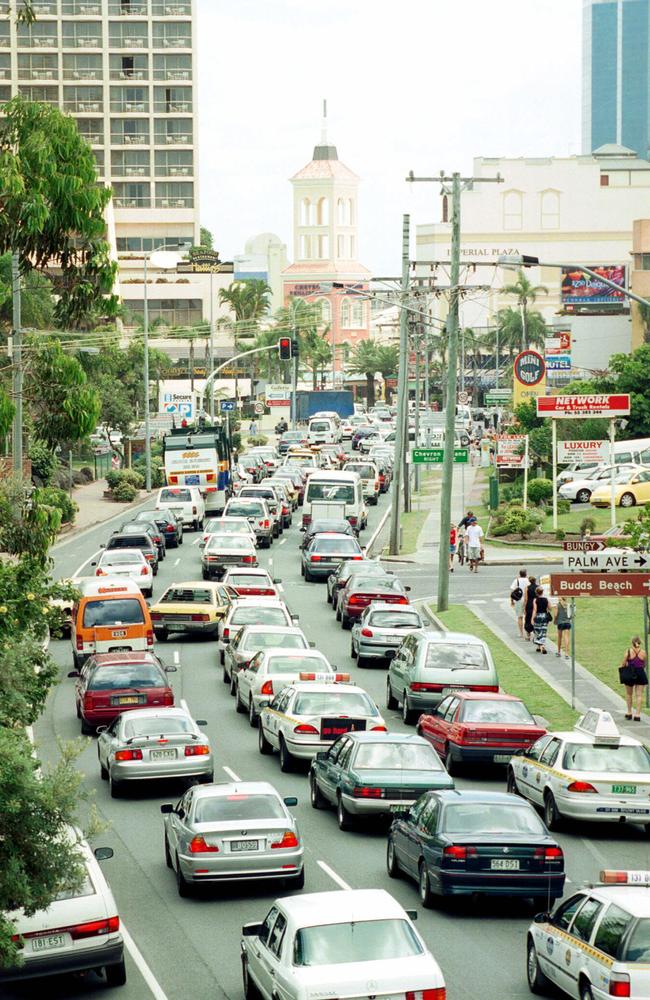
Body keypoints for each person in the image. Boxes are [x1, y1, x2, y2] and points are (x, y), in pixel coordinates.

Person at [620, 636, 648, 721]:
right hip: (640, 673)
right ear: (640, 643)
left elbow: (623, 664)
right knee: (639, 695)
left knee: (629, 694)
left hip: (630, 673)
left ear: (632, 643)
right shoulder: (643, 652)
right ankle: (638, 714)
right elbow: (644, 664)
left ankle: (629, 712)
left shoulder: (628, 652)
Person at [510, 568, 529, 639]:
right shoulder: (528, 580)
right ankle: (528, 632)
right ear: (526, 574)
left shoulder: (516, 580)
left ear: (519, 574)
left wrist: (511, 601)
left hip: (518, 600)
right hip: (527, 600)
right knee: (527, 617)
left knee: (520, 617)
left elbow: (512, 591)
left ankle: (521, 633)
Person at [532, 586, 550, 654]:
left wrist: (532, 618)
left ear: (536, 593)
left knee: (537, 630)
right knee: (543, 631)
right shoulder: (546, 599)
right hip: (544, 616)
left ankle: (540, 646)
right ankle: (541, 646)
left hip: (538, 616)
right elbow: (550, 607)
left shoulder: (535, 600)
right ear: (542, 592)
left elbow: (535, 610)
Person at [524, 575, 537, 641]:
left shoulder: (527, 588)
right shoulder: (538, 587)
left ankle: (528, 634)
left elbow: (526, 598)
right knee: (535, 618)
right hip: (536, 603)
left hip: (529, 604)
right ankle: (535, 634)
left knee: (528, 618)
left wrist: (524, 607)